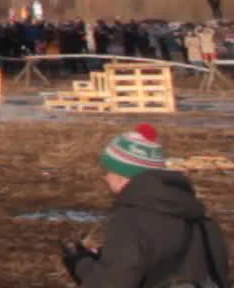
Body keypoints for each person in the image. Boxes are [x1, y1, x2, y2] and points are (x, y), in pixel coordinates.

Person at [62, 123, 229, 287]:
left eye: (109, 171)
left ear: (124, 176)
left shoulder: (131, 222)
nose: (106, 178)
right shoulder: (203, 220)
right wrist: (107, 259)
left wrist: (82, 265)